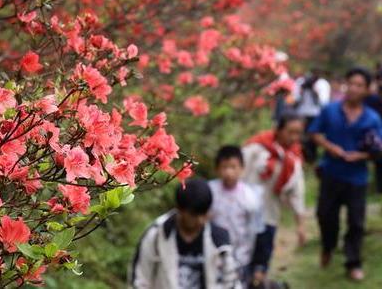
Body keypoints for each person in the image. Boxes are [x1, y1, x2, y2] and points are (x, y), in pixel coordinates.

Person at [309, 67, 382, 281]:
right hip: (331, 173)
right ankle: (328, 246)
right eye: (350, 83)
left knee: (356, 222)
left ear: (366, 89)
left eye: (359, 85)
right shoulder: (330, 110)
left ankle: (353, 262)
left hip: (357, 178)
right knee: (325, 216)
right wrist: (330, 147)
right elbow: (315, 133)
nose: (353, 89)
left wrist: (363, 155)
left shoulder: (372, 118)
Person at [129, 178, 242, 289]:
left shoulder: (219, 240)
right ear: (180, 209)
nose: (200, 220)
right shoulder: (157, 234)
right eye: (194, 215)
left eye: (204, 214)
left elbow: (231, 281)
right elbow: (140, 280)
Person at [242, 113, 306, 287]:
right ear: (278, 130)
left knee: (261, 261)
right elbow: (237, 172)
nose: (294, 138)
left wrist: (300, 225)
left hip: (269, 217)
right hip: (243, 215)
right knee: (241, 260)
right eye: (290, 132)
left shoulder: (293, 159)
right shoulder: (256, 149)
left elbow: (297, 194)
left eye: (298, 133)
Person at [209, 146, 263, 284]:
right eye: (224, 167)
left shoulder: (250, 196)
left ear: (242, 168)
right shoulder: (210, 192)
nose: (228, 172)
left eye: (233, 167)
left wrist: (259, 264)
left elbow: (258, 230)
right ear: (217, 169)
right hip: (214, 256)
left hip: (241, 258)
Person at [293, 68, 331, 162]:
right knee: (299, 137)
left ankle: (311, 159)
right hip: (301, 114)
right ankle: (299, 158)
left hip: (316, 115)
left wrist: (314, 91)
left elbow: (324, 103)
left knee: (313, 138)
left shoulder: (322, 84)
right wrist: (302, 91)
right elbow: (295, 100)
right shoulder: (300, 82)